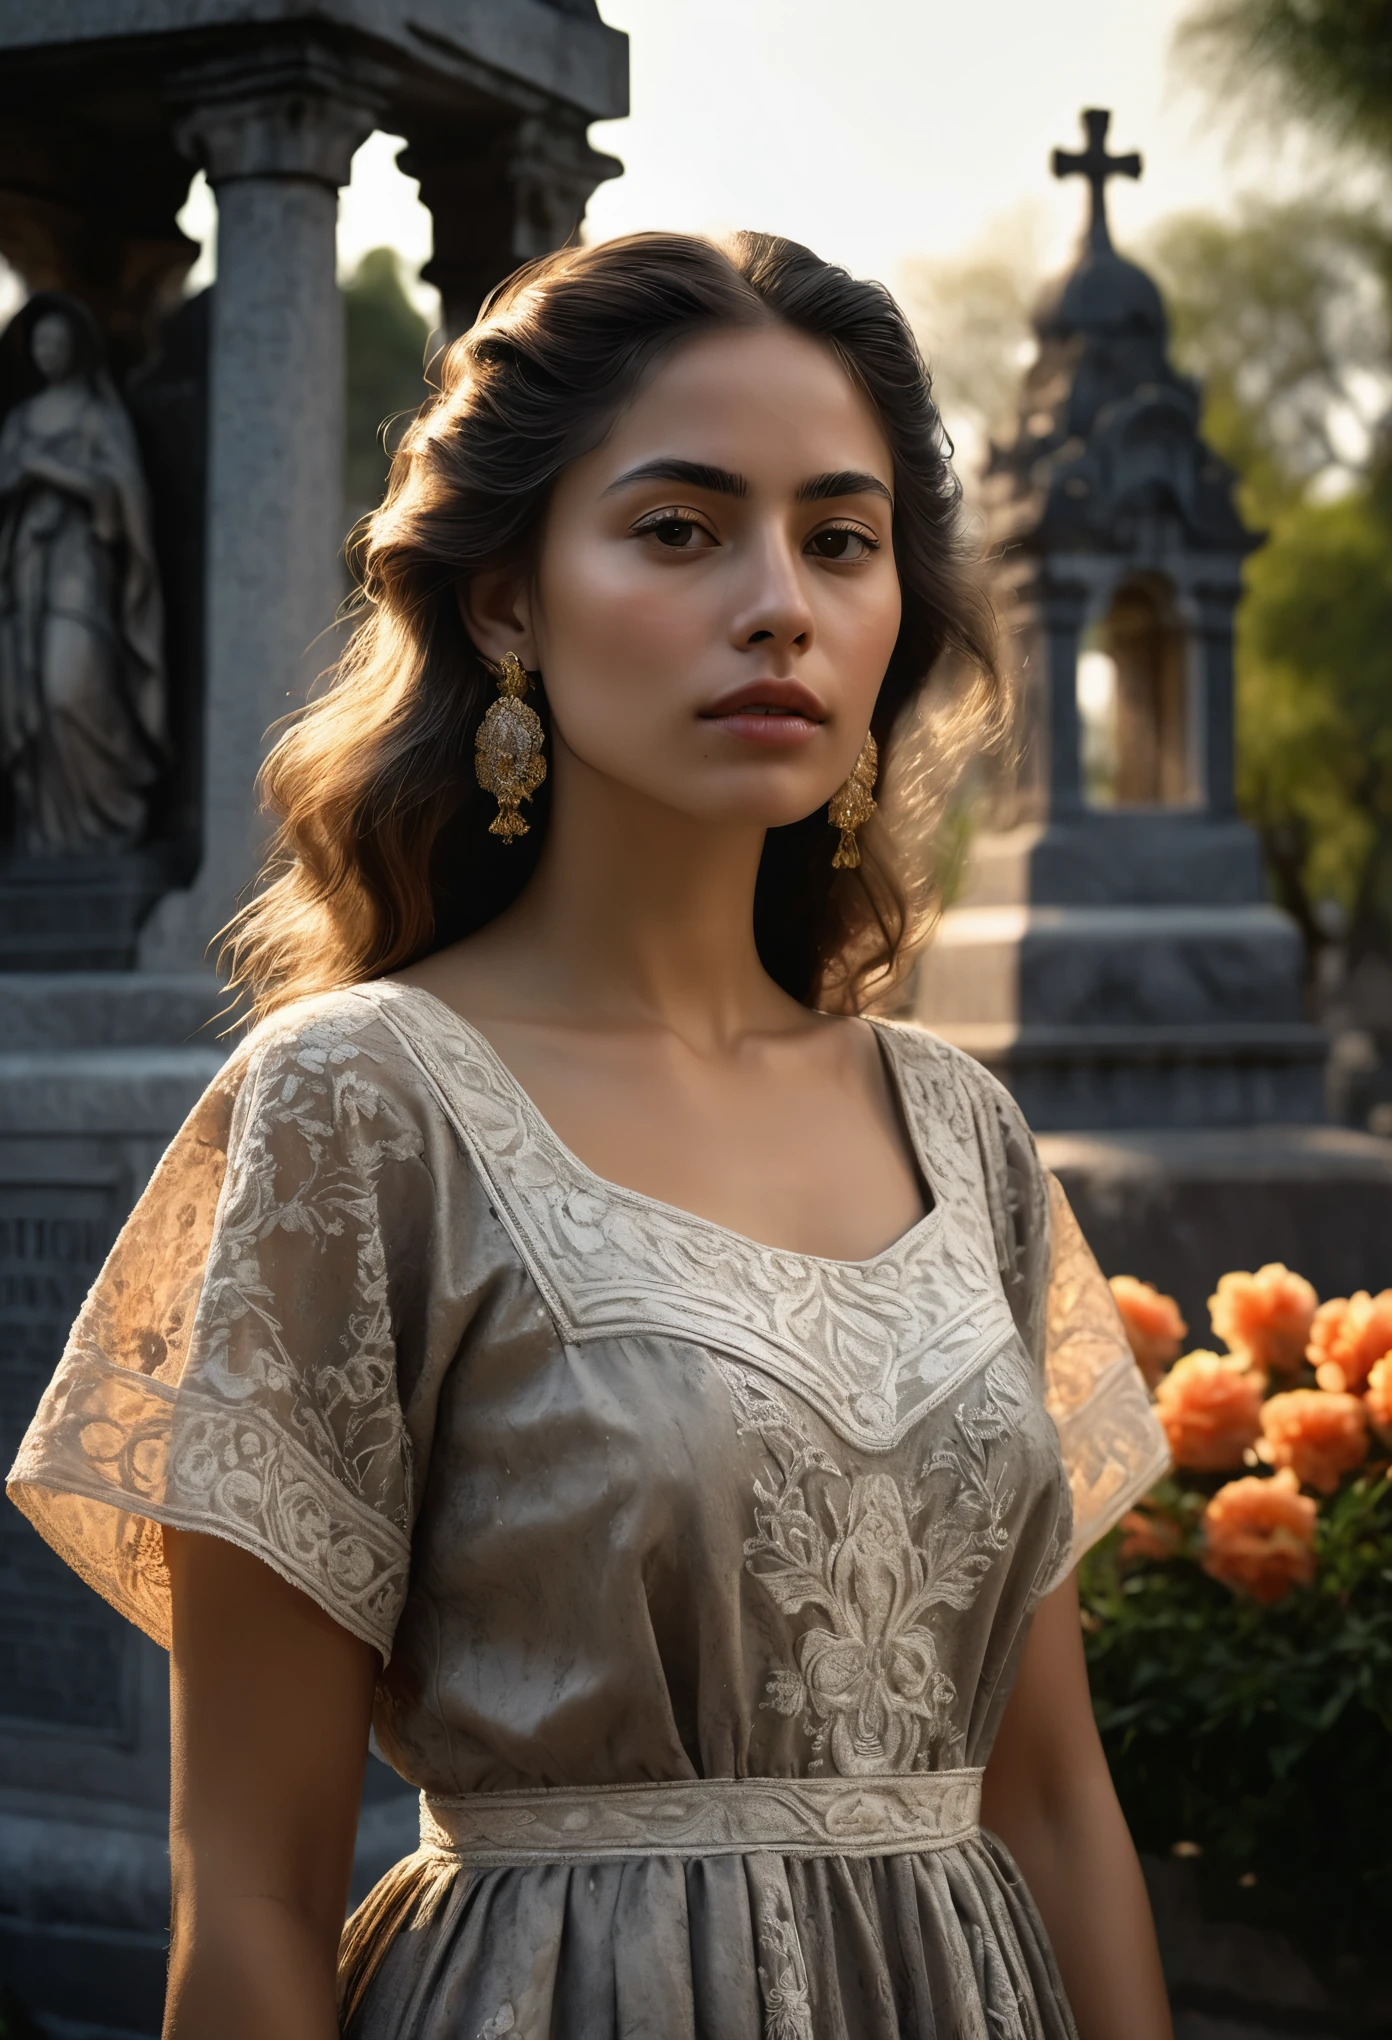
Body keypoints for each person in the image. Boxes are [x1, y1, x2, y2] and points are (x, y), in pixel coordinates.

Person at [9, 232, 1173, 2040]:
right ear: (505, 601)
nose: (778, 602)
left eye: (840, 540)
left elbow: (1048, 1801)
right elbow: (245, 1892)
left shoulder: (966, 1133)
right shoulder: (360, 1106)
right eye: (681, 529)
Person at [0, 291, 165, 853]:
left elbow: (120, 495)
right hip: (25, 563)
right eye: (39, 344)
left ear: (77, 348)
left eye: (57, 342)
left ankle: (112, 810)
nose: (47, 353)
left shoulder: (97, 416)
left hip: (81, 565)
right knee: (30, 696)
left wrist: (46, 469)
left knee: (68, 687)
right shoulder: (21, 419)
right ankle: (49, 834)